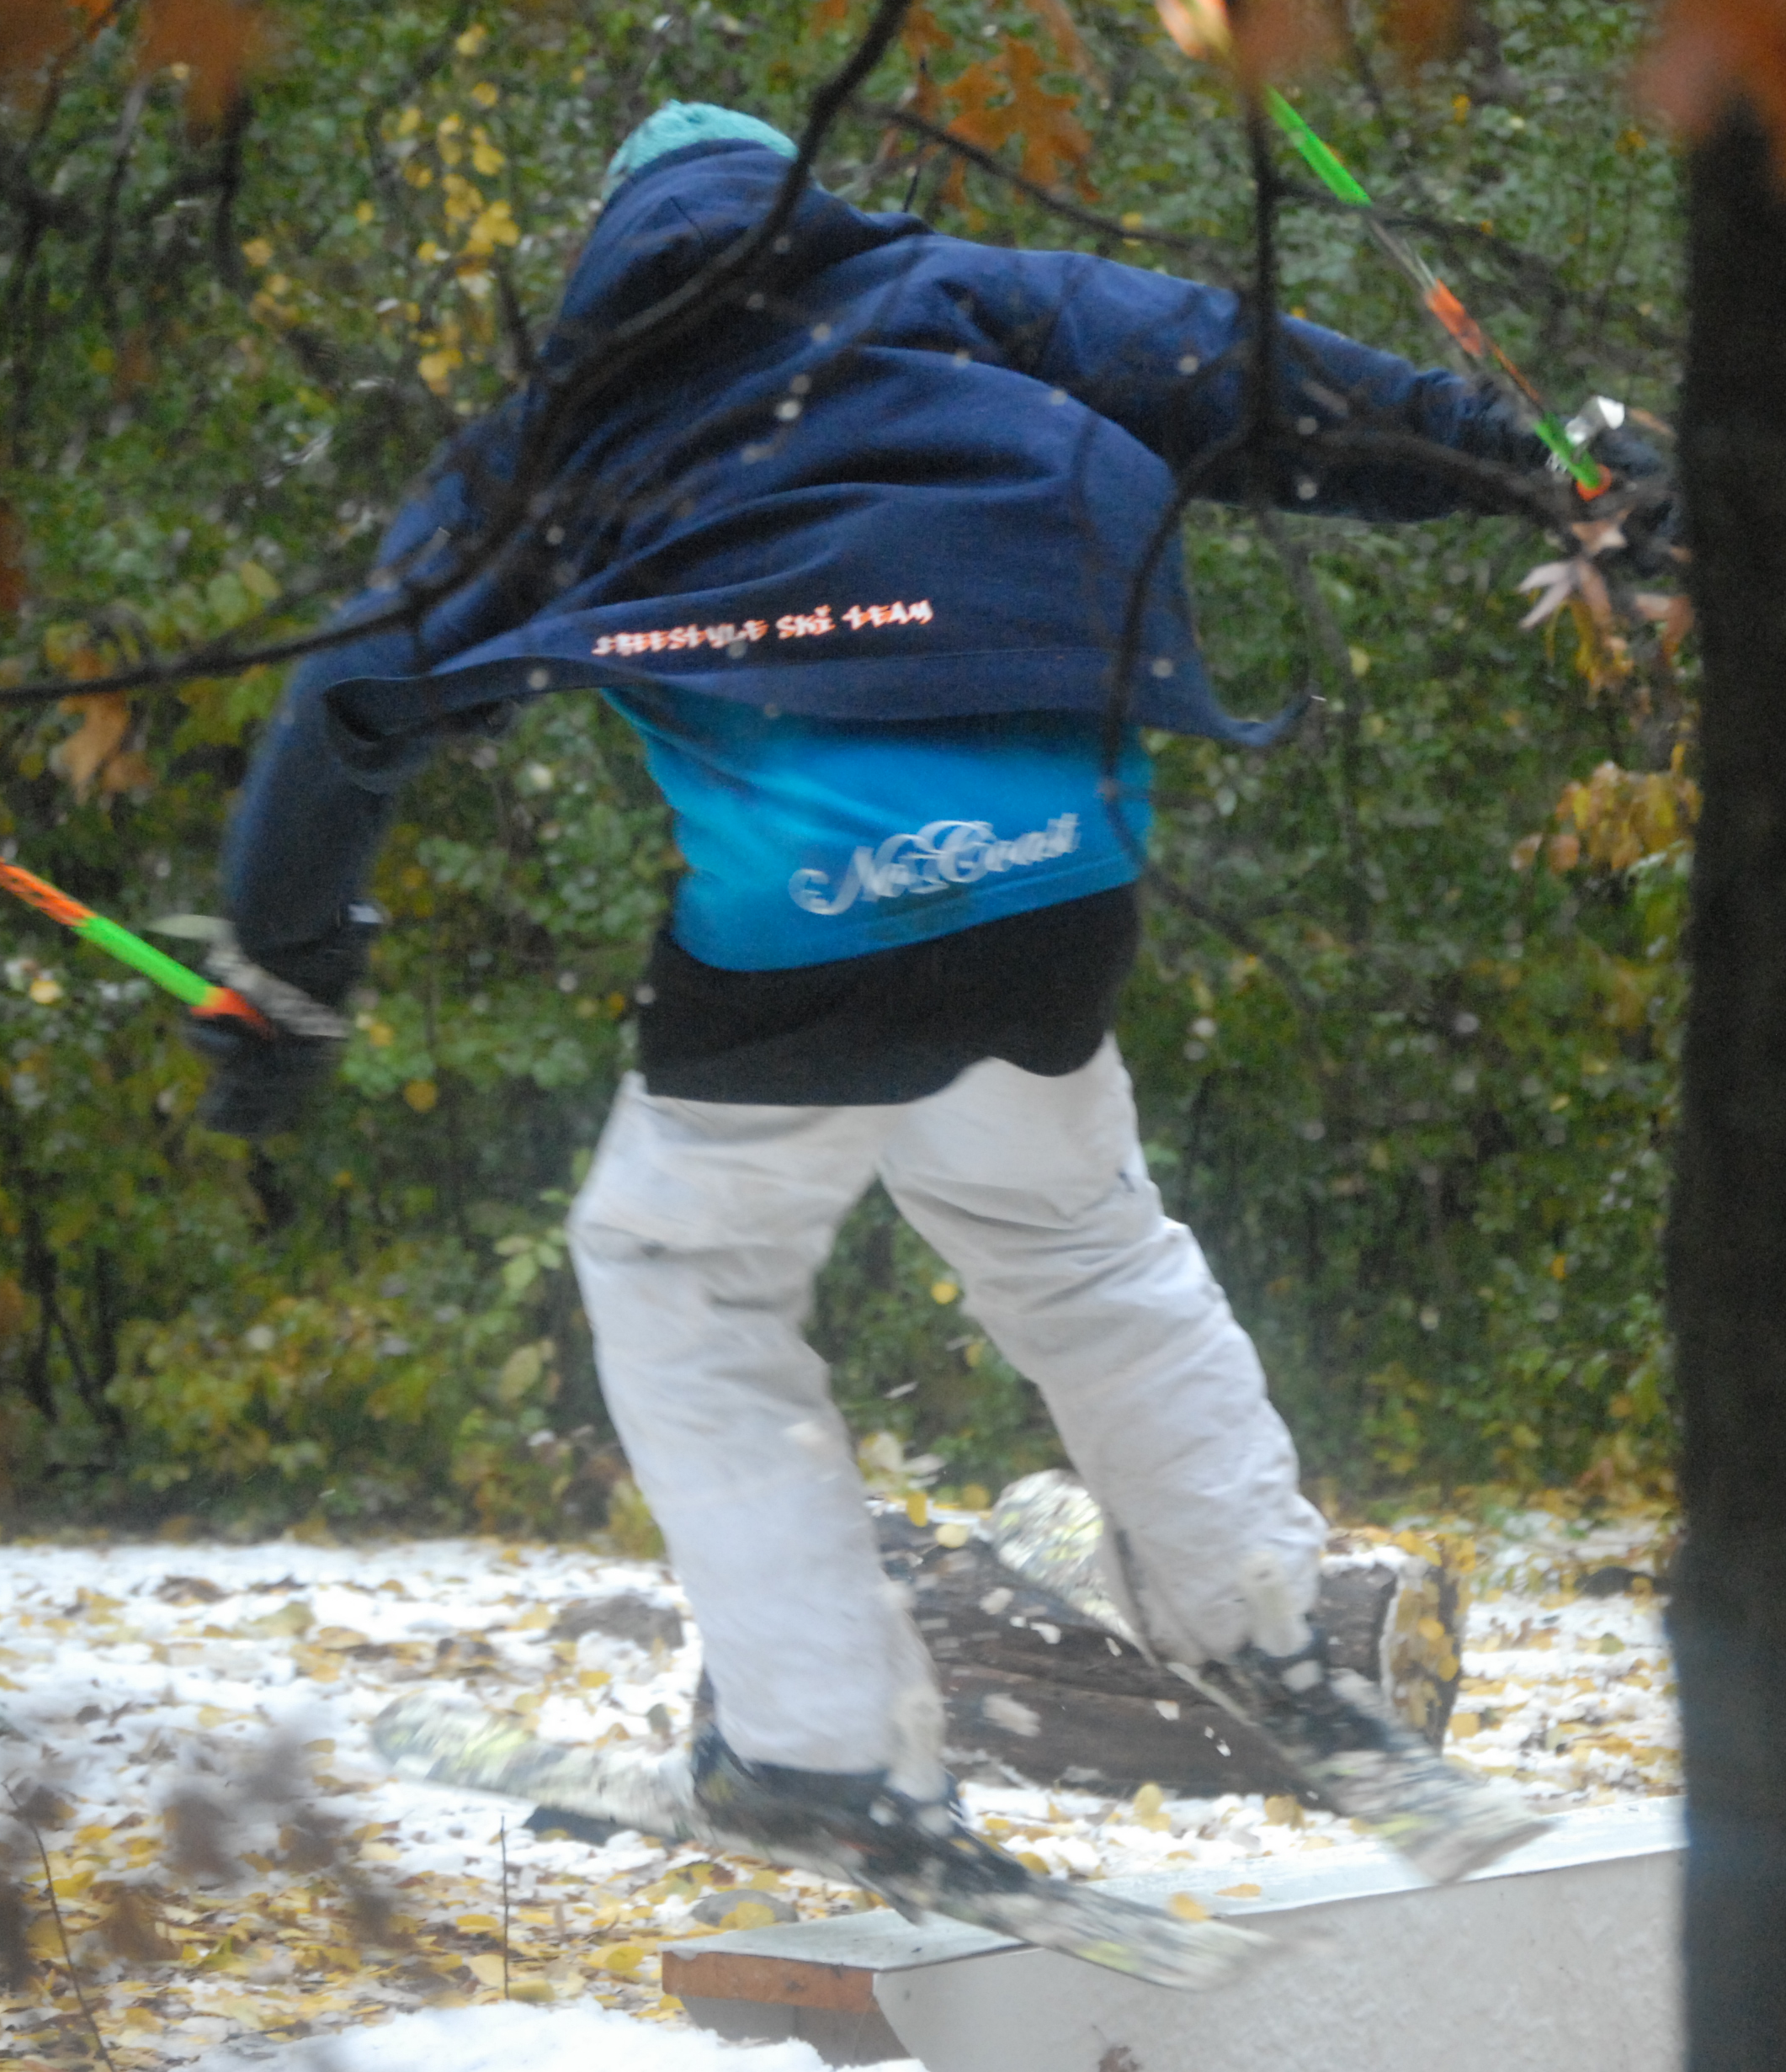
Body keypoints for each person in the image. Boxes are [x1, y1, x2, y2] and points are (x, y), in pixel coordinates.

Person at [199, 103, 1661, 1917]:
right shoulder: (962, 296)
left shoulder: (563, 430)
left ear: (610, 259)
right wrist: (1544, 472)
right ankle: (1288, 1658)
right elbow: (1263, 378)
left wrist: (287, 969)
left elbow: (361, 689)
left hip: (806, 914)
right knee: (1087, 1251)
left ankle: (817, 1755)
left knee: (683, 1284)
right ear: (800, 208)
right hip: (1057, 878)